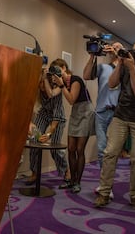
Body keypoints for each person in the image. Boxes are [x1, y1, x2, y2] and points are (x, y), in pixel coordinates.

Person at [94, 38, 135, 210]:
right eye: (134, 51)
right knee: (109, 153)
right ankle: (104, 193)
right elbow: (112, 84)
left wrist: (131, 68)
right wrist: (121, 64)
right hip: (120, 116)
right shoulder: (126, 64)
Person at [82, 41, 123, 199]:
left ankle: (107, 183)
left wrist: (122, 57)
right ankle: (105, 184)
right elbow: (86, 75)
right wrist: (92, 56)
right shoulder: (103, 67)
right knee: (101, 149)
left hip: (118, 114)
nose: (115, 49)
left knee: (111, 151)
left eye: (118, 47)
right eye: (114, 47)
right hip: (101, 111)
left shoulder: (125, 67)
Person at [50, 58, 91, 193]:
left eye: (58, 70)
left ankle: (77, 182)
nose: (57, 73)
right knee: (71, 148)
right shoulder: (62, 83)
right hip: (75, 114)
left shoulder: (75, 80)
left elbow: (72, 100)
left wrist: (61, 85)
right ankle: (71, 179)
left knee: (80, 149)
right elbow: (51, 94)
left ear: (64, 67)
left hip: (85, 113)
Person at [25, 67, 70, 186]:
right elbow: (30, 107)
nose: (41, 85)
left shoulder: (56, 92)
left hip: (57, 117)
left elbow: (55, 117)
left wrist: (49, 134)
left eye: (43, 82)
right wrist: (31, 124)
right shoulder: (37, 91)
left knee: (55, 147)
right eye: (39, 82)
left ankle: (65, 171)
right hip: (44, 114)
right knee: (34, 141)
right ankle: (34, 172)